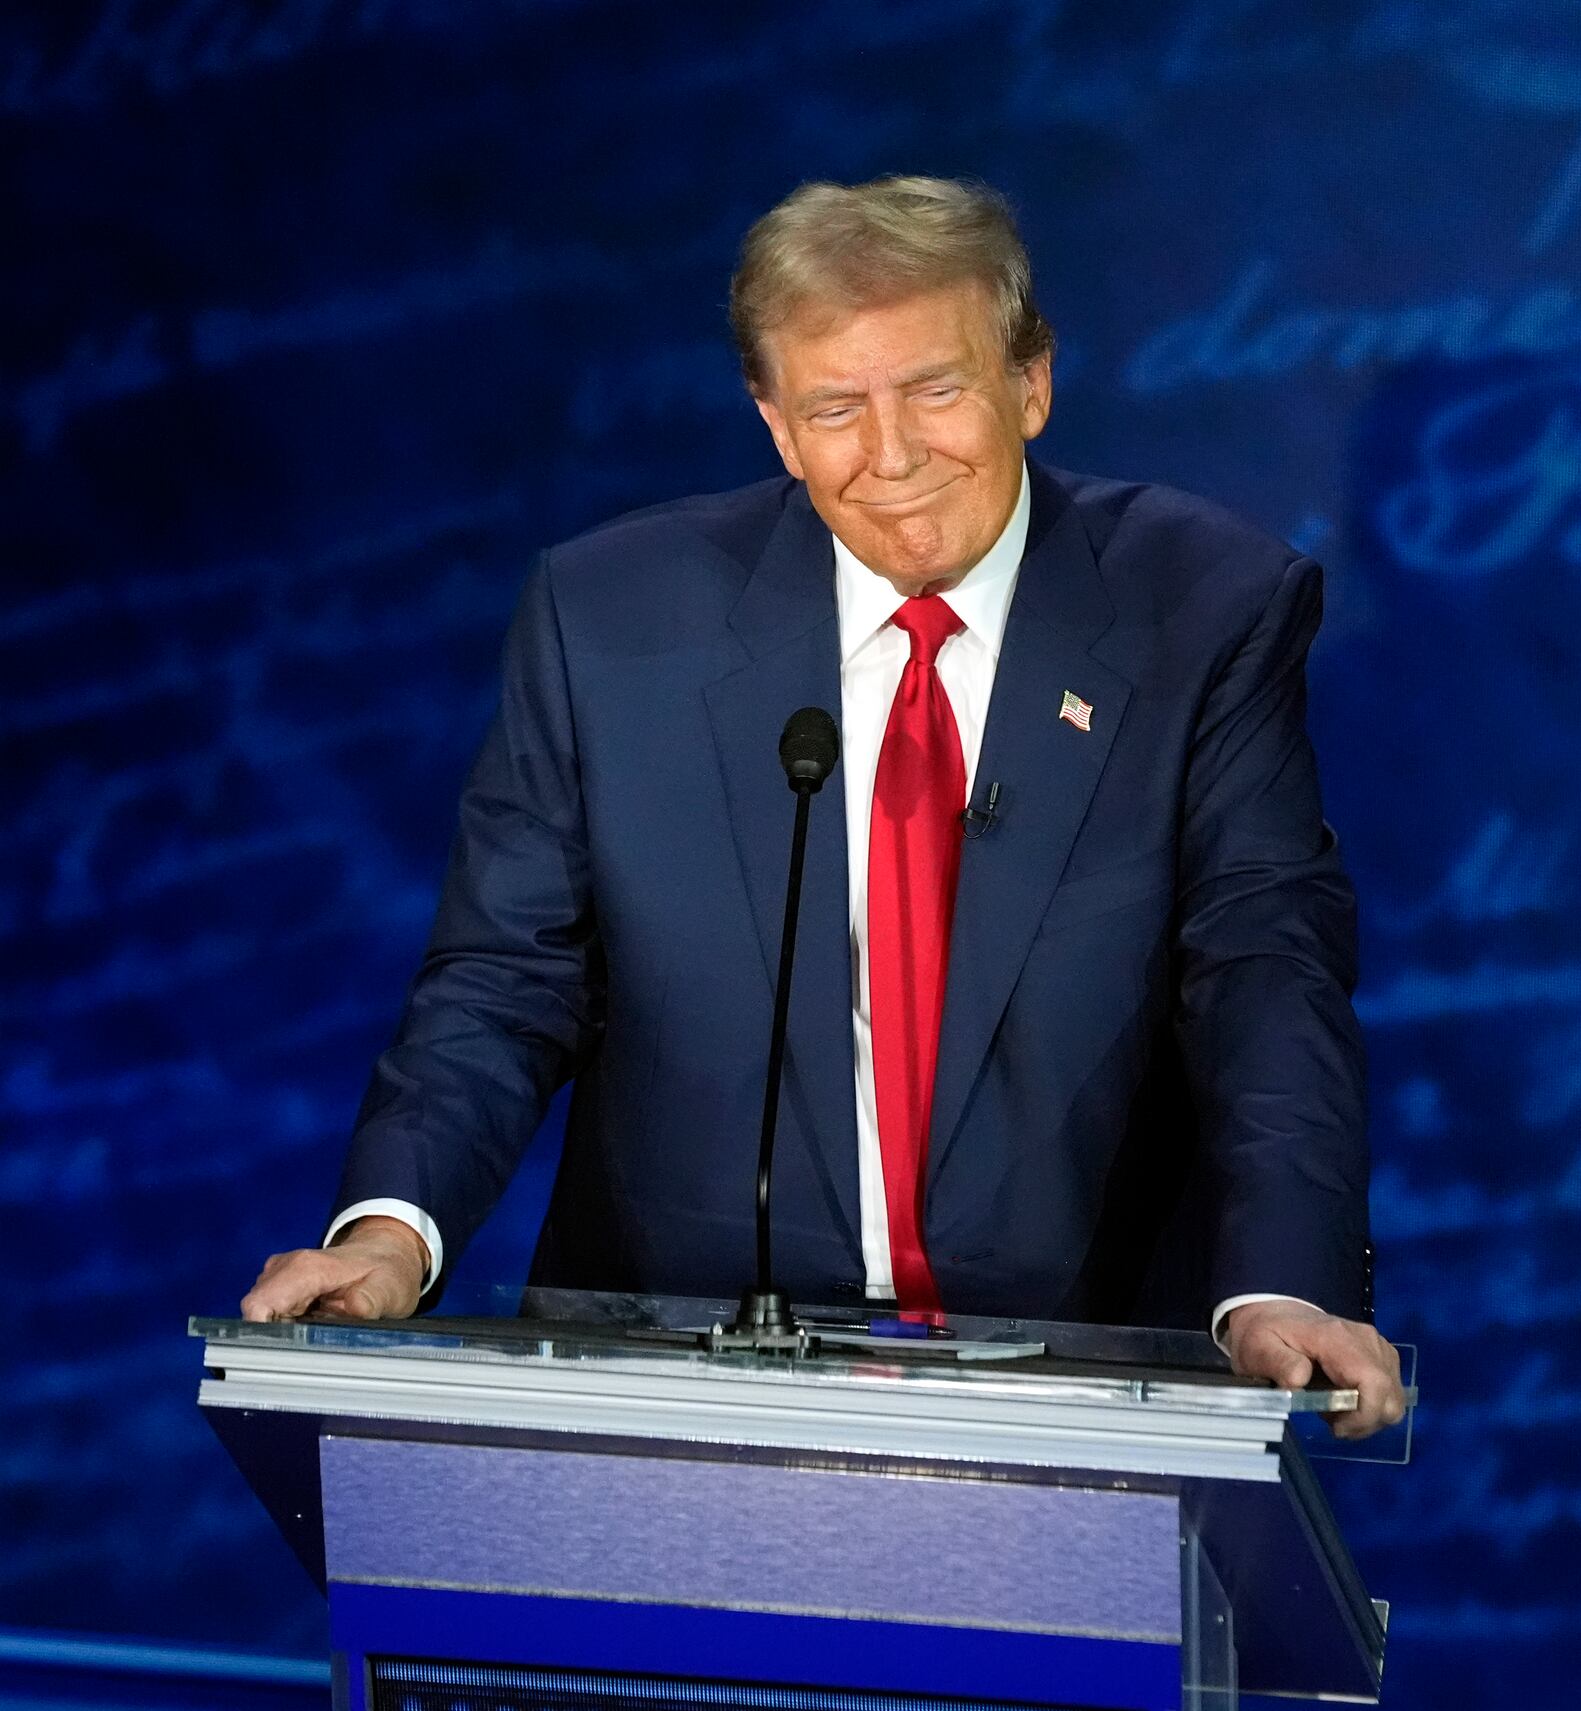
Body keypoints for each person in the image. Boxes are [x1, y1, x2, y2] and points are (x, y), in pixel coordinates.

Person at [240, 175, 1403, 1437]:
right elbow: (506, 976)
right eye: (836, 408)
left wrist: (1284, 1279)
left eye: (935, 390)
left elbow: (1262, 967)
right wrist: (391, 1232)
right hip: (678, 1374)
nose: (891, 455)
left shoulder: (1204, 609)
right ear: (778, 428)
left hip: (1081, 1370)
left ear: (1030, 383)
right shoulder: (610, 622)